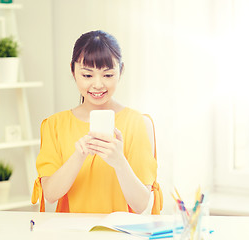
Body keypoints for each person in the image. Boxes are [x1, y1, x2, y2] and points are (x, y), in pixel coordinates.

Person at [31, 30, 162, 214]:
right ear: (73, 71)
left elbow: (141, 205)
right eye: (87, 75)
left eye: (108, 75)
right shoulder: (54, 125)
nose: (98, 85)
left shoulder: (138, 123)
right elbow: (51, 195)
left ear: (120, 71)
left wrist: (119, 161)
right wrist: (79, 155)